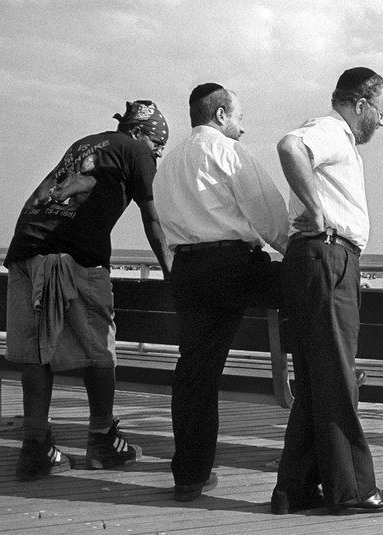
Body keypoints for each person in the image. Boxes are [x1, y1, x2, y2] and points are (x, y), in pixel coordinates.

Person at [4, 100, 172, 480]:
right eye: (159, 146)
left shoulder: (88, 143)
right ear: (144, 135)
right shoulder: (136, 150)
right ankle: (102, 441)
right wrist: (170, 271)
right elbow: (152, 218)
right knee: (99, 349)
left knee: (35, 352)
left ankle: (34, 449)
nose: (158, 156)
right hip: (73, 257)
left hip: (24, 252)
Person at [271, 67, 383, 515]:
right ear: (361, 104)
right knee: (338, 377)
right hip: (328, 257)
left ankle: (295, 488)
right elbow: (290, 147)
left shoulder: (335, 136)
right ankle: (353, 489)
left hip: (315, 260)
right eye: (381, 112)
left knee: (315, 380)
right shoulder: (330, 130)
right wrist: (318, 211)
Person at [152, 83, 289, 502]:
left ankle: (190, 476)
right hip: (234, 267)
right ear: (221, 115)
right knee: (315, 290)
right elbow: (269, 216)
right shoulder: (229, 152)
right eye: (240, 118)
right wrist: (296, 256)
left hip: (188, 271)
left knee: (194, 373)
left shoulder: (169, 164)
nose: (243, 129)